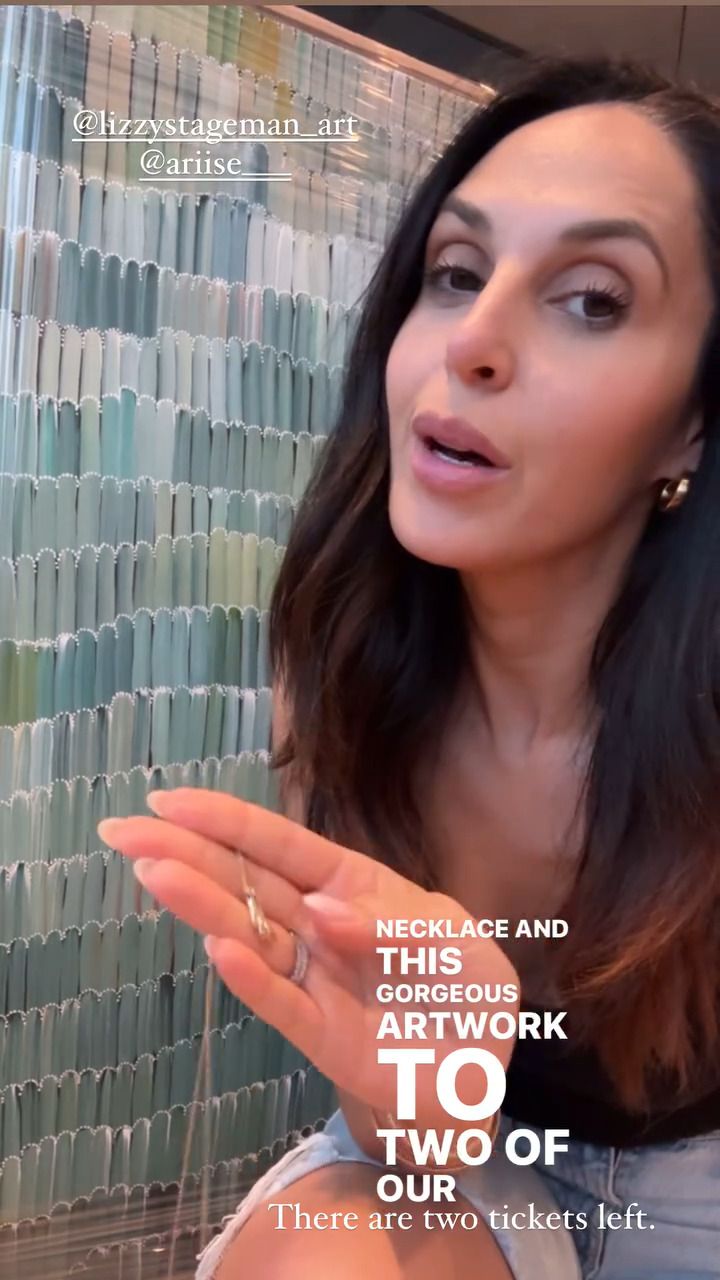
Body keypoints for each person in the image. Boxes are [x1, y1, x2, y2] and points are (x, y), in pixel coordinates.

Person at [97, 50, 720, 1280]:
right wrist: (421, 1094)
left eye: (593, 300)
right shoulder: (349, 651)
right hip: (459, 1158)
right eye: (456, 272)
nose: (473, 341)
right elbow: (416, 1146)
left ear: (693, 422)